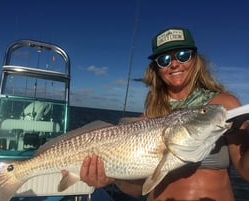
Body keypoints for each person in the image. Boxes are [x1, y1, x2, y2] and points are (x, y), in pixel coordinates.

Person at [80, 27, 249, 200]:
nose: (174, 64)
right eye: (164, 59)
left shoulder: (224, 106)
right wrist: (112, 178)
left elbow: (246, 172)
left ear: (196, 59)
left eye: (183, 55)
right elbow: (136, 190)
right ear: (156, 68)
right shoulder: (148, 119)